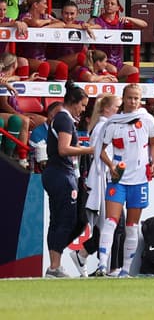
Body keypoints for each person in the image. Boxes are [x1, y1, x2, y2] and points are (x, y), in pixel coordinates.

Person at [96, 84, 154, 277]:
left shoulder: (147, 119)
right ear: (123, 98)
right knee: (111, 221)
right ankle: (102, 265)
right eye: (130, 97)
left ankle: (125, 270)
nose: (133, 101)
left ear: (141, 100)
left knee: (132, 226)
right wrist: (111, 166)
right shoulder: (113, 123)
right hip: (118, 179)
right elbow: (101, 150)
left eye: (136, 98)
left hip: (139, 179)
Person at [43, 86, 93, 278]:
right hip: (61, 174)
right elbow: (64, 149)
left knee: (59, 220)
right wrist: (89, 150)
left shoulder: (64, 119)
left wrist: (81, 147)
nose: (83, 110)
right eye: (82, 105)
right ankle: (55, 266)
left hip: (58, 174)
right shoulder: (64, 118)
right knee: (66, 220)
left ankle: (55, 266)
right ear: (73, 102)